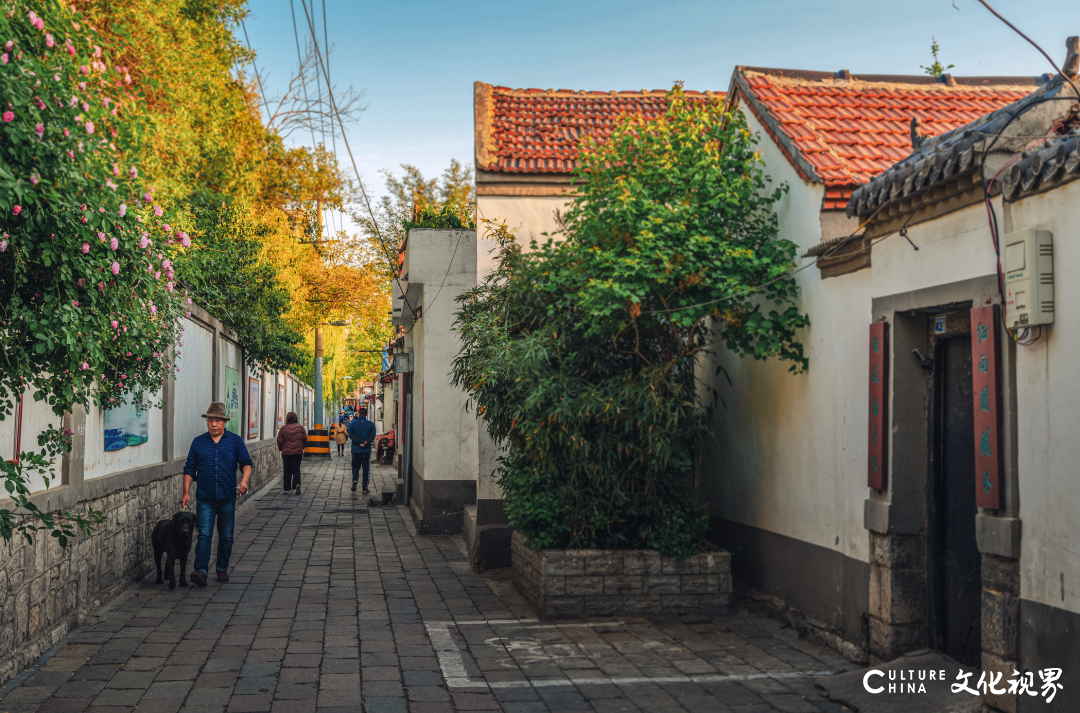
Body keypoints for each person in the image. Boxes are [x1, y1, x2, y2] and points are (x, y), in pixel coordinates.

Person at [181, 401, 252, 587]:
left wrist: (244, 480)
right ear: (207, 422)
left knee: (226, 535)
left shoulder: (235, 441)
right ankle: (201, 571)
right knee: (204, 534)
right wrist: (186, 492)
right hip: (205, 497)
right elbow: (189, 469)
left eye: (218, 421)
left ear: (224, 422)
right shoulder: (198, 442)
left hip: (228, 497)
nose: (214, 424)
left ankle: (222, 568)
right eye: (210, 420)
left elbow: (246, 462)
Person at [346, 407, 376, 493]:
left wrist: (359, 442)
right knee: (366, 469)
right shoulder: (371, 424)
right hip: (366, 450)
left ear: (358, 414)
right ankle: (364, 487)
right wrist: (366, 442)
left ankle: (355, 480)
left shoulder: (353, 423)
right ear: (366, 415)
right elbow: (372, 436)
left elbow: (350, 435)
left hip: (356, 449)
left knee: (355, 466)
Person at [277, 412, 307, 495]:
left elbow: (279, 440)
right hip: (298, 452)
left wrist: (281, 448)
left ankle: (286, 488)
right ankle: (297, 484)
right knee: (296, 469)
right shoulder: (301, 428)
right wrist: (302, 448)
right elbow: (304, 439)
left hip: (286, 453)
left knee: (287, 470)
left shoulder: (283, 429)